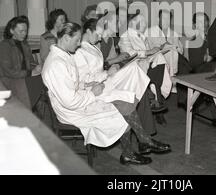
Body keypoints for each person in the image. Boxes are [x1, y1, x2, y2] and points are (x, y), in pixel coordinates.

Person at [42, 22, 171, 165]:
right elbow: (69, 101)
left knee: (124, 101)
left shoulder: (63, 57)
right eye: (77, 40)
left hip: (79, 97)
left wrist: (86, 84)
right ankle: (138, 145)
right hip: (71, 110)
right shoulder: (56, 64)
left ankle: (139, 144)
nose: (79, 44)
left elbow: (73, 82)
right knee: (121, 109)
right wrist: (92, 93)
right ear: (66, 37)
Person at [119, 12, 173, 112]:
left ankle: (155, 94)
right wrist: (148, 52)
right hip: (133, 67)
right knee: (156, 65)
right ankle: (155, 94)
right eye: (142, 21)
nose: (145, 24)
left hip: (144, 64)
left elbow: (147, 53)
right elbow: (130, 54)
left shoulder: (141, 36)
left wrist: (157, 50)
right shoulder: (125, 36)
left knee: (159, 57)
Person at [0, 16, 42, 108]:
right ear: (12, 31)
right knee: (24, 87)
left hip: (24, 77)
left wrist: (36, 67)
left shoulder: (24, 44)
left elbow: (30, 62)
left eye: (25, 31)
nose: (24, 34)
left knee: (45, 80)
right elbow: (8, 71)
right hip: (9, 80)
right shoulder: (4, 46)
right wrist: (30, 73)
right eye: (21, 31)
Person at [145, 9, 184, 77]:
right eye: (163, 18)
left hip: (172, 57)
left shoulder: (174, 33)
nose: (166, 21)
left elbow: (181, 51)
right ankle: (172, 77)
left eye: (168, 19)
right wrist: (163, 46)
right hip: (155, 58)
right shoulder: (149, 32)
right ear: (158, 19)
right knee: (170, 52)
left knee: (173, 53)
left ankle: (173, 76)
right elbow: (148, 49)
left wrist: (174, 46)